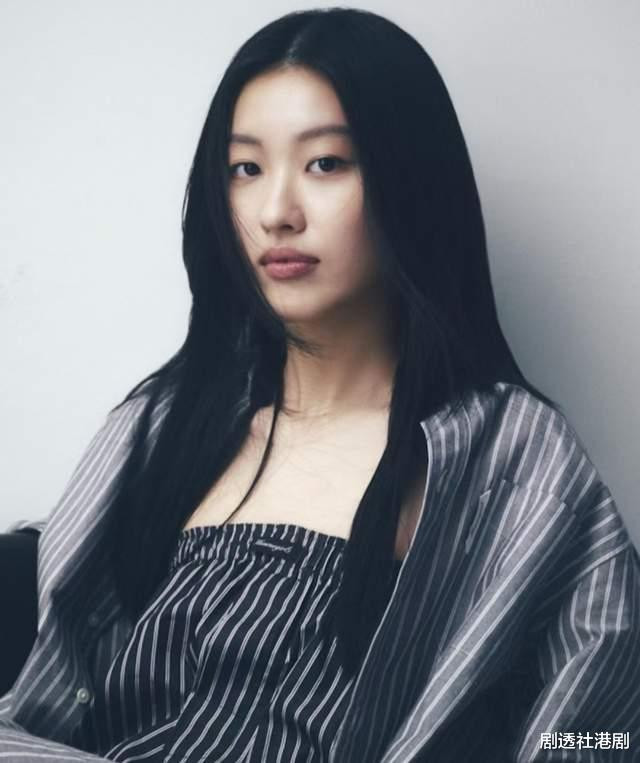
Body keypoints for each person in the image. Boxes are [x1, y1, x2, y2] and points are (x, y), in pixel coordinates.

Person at [1, 7, 639, 762]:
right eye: (246, 168)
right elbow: (55, 679)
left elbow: (603, 732)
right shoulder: (162, 423)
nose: (276, 212)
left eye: (326, 163)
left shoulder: (515, 459)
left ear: (410, 178)